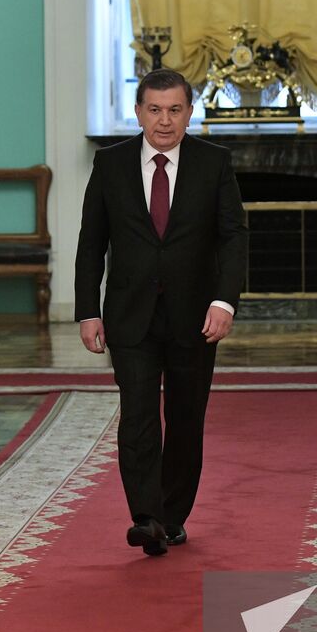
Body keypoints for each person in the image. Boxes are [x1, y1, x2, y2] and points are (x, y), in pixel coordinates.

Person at [75, 68, 249, 556]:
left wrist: (225, 300)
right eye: (155, 109)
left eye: (175, 110)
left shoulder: (214, 163)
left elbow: (234, 237)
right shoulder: (110, 165)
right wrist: (88, 310)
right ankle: (146, 517)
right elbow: (92, 242)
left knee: (186, 417)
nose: (165, 121)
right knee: (138, 417)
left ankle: (173, 516)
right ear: (138, 112)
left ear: (190, 112)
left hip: (196, 317)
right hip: (129, 315)